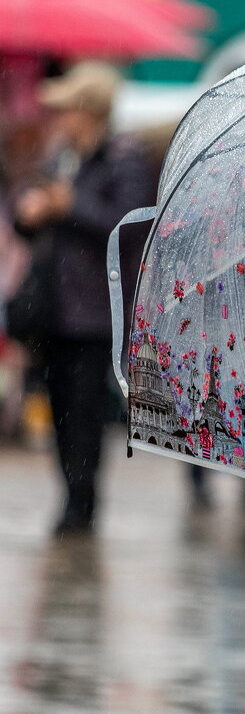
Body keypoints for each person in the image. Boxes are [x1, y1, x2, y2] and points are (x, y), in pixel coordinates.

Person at [13, 62, 154, 535]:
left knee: (84, 413)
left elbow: (130, 222)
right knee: (54, 409)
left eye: (66, 108)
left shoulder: (122, 158)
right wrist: (30, 212)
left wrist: (70, 205)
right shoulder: (61, 157)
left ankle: (81, 504)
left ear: (89, 109)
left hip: (95, 314)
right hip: (51, 310)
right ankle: (71, 497)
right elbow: (27, 210)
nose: (58, 118)